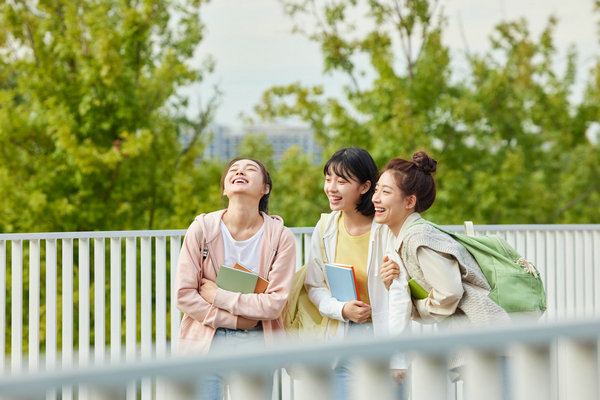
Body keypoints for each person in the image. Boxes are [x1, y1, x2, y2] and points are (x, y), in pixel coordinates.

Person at [373, 151, 510, 376]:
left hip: (487, 339)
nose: (375, 198)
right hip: (480, 341)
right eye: (377, 189)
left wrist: (417, 309)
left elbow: (449, 293)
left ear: (410, 201)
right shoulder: (400, 237)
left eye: (385, 192)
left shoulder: (419, 237)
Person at [175, 158, 296, 399]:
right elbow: (184, 295)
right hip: (203, 340)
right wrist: (235, 321)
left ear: (265, 189)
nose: (240, 171)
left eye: (250, 169)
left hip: (256, 341)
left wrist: (217, 296)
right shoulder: (201, 229)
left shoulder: (281, 238)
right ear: (224, 189)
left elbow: (273, 304)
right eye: (234, 170)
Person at [303, 147, 411, 399]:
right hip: (342, 341)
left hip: (382, 340)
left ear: (364, 187)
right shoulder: (326, 226)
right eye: (328, 179)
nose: (331, 187)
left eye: (341, 181)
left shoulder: (386, 226)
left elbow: (400, 296)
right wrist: (341, 310)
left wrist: (399, 358)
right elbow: (314, 286)